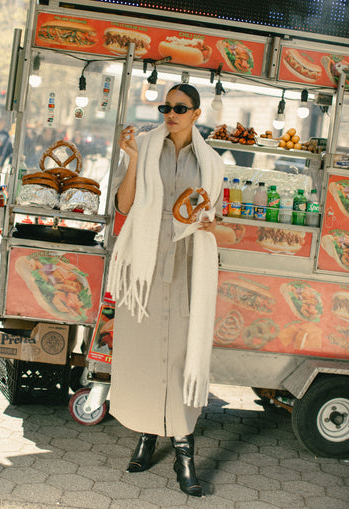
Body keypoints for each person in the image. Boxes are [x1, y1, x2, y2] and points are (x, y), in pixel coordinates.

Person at [107, 84, 224, 497]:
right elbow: (124, 207)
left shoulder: (211, 161)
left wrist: (210, 225)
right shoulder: (146, 147)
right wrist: (132, 159)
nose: (170, 113)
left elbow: (216, 215)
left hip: (188, 264)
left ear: (195, 114)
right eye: (166, 106)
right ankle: (144, 435)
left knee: (179, 356)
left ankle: (183, 452)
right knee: (142, 353)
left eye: (180, 108)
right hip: (145, 267)